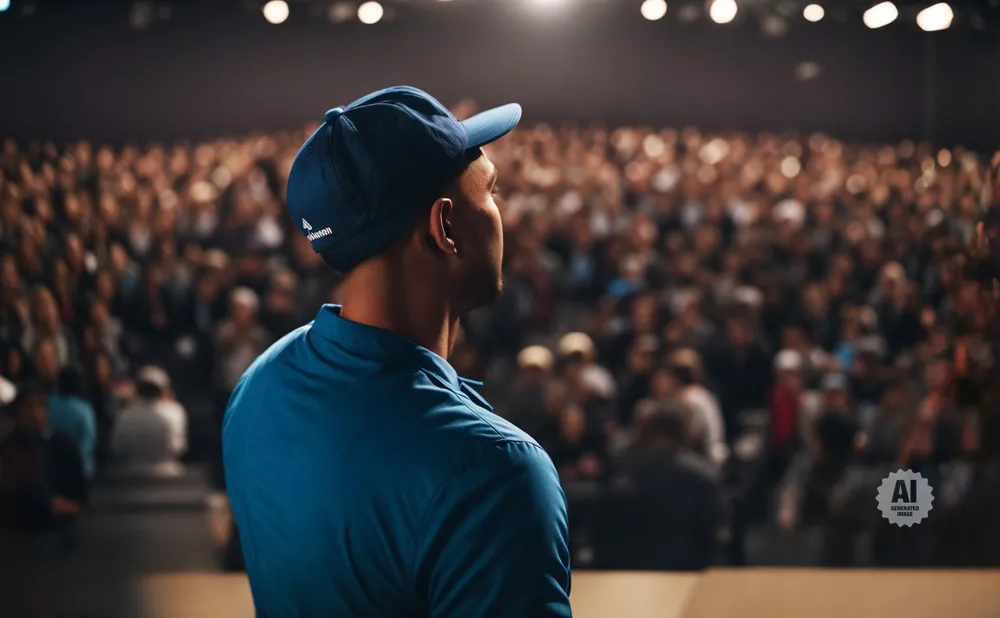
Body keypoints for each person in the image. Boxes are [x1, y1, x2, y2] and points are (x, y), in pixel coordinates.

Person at [223, 87, 571, 618]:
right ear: (445, 227)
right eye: (492, 192)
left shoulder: (259, 385)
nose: (503, 214)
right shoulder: (494, 475)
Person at [0, 385, 88, 537]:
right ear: (17, 414)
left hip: (60, 530)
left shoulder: (63, 445)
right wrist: (46, 504)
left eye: (40, 406)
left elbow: (80, 498)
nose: (35, 413)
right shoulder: (8, 447)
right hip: (15, 533)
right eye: (28, 407)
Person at [112, 365, 188, 474]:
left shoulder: (125, 414)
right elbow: (179, 447)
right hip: (167, 475)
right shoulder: (175, 411)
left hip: (132, 475)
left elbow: (116, 447)